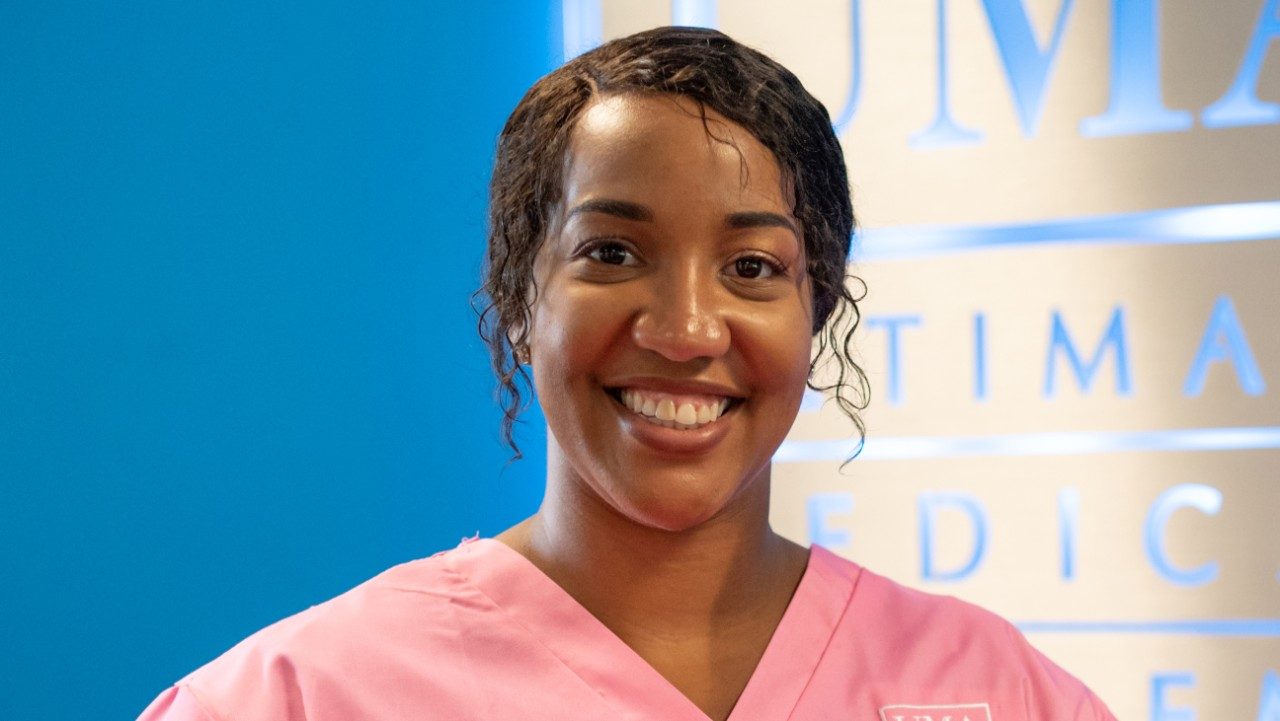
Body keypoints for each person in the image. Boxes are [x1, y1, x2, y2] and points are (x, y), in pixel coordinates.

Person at [138, 26, 1118, 721]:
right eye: (610, 253)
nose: (686, 330)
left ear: (815, 313)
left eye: (752, 267)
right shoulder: (296, 698)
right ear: (518, 300)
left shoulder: (1002, 692)